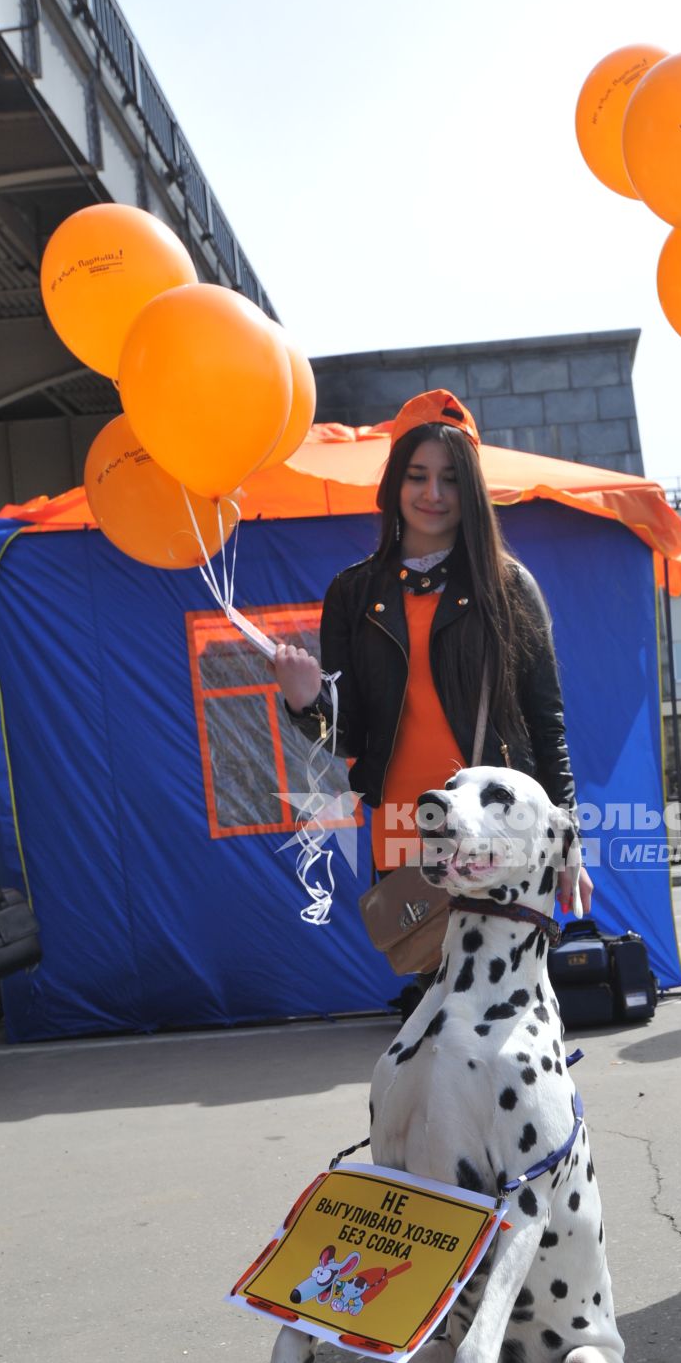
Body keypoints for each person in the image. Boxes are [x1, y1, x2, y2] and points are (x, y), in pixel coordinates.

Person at [271, 390, 591, 990]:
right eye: (417, 476)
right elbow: (348, 739)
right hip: (403, 823)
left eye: (449, 479)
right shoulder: (353, 594)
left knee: (507, 1003)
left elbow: (546, 725)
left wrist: (567, 837)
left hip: (497, 824)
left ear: (471, 489)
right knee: (431, 994)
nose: (433, 494)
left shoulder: (509, 586)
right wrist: (305, 702)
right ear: (394, 483)